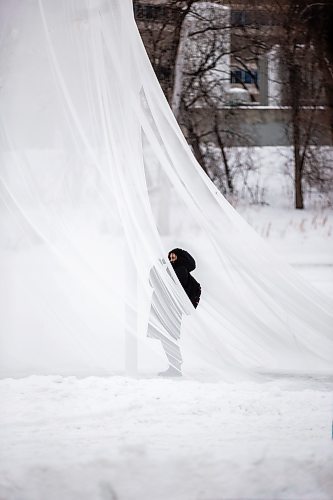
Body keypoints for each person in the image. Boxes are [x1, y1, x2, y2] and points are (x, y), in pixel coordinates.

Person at [158, 248, 201, 377]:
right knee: (167, 337)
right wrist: (159, 267)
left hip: (172, 310)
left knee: (170, 337)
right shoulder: (170, 269)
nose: (171, 259)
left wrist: (163, 270)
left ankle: (175, 366)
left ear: (179, 258)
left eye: (173, 257)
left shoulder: (180, 270)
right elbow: (152, 282)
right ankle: (174, 366)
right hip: (167, 309)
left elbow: (171, 287)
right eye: (169, 257)